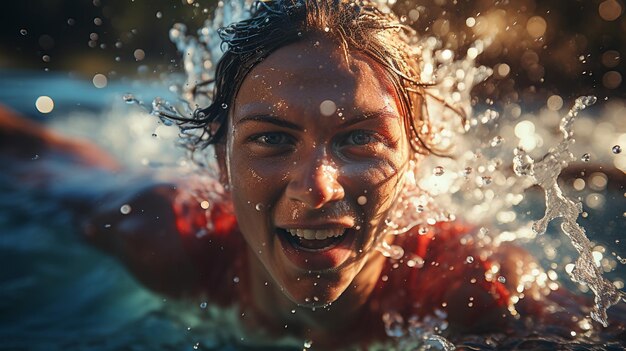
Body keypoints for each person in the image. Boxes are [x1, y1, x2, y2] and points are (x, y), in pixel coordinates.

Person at [2, 0, 620, 349]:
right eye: (271, 139)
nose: (318, 186)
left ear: (415, 162)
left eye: (359, 139)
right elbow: (32, 160)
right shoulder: (167, 235)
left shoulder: (467, 285)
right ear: (221, 163)